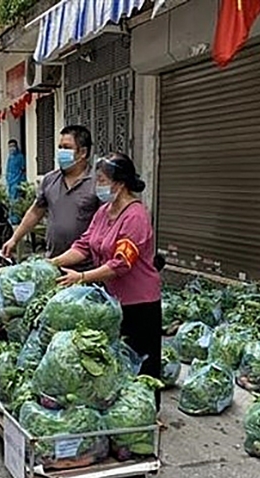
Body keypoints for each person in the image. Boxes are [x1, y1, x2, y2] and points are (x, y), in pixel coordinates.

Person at [50, 152, 162, 409]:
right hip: (112, 302)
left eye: (101, 179)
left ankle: (145, 417)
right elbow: (84, 246)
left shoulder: (136, 216)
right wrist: (52, 263)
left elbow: (122, 263)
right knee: (117, 362)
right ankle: (121, 417)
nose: (96, 185)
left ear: (119, 183)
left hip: (139, 304)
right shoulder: (103, 212)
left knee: (142, 364)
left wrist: (81, 277)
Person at [2, 125, 100, 261]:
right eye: (60, 147)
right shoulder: (50, 180)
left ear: (82, 152)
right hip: (54, 262)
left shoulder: (97, 183)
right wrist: (15, 238)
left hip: (87, 267)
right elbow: (36, 212)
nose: (61, 152)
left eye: (66, 148)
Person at [6, 139, 26, 224]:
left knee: (16, 201)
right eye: (10, 146)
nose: (11, 148)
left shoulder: (20, 157)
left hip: (17, 182)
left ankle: (16, 219)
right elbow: (8, 170)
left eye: (13, 146)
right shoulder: (10, 158)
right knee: (11, 201)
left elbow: (23, 169)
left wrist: (21, 182)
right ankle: (11, 218)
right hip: (10, 182)